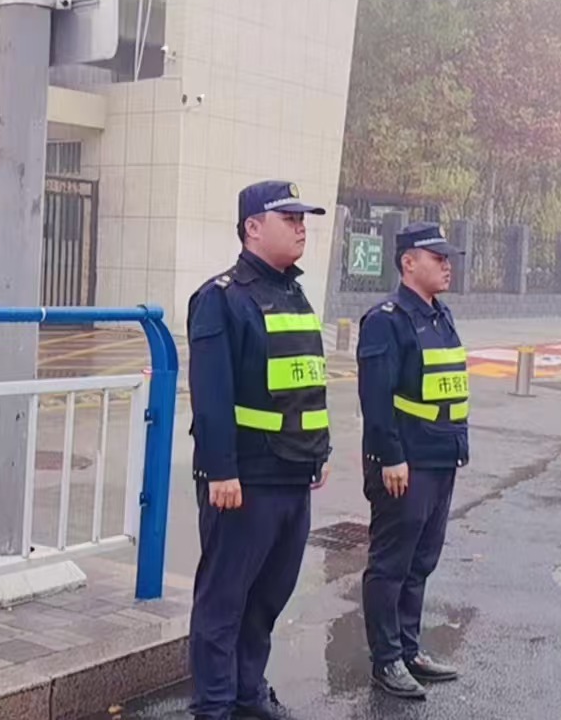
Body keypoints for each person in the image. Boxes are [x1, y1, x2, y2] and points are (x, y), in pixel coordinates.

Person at [187, 181, 332, 720]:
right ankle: (214, 706)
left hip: (293, 474)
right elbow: (211, 396)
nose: (301, 227)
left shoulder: (294, 293)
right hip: (244, 480)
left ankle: (249, 694)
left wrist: (318, 451)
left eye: (303, 219)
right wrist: (220, 470)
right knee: (224, 602)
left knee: (268, 598)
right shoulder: (221, 298)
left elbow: (305, 384)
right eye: (288, 218)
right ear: (252, 227)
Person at [356, 221, 469, 699]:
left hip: (440, 458)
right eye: (437, 257)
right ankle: (386, 659)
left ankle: (408, 648)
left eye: (448, 258)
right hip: (405, 464)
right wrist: (390, 457)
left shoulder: (440, 315)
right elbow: (376, 399)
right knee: (392, 563)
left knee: (421, 560)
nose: (447, 265)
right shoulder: (386, 319)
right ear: (408, 263)